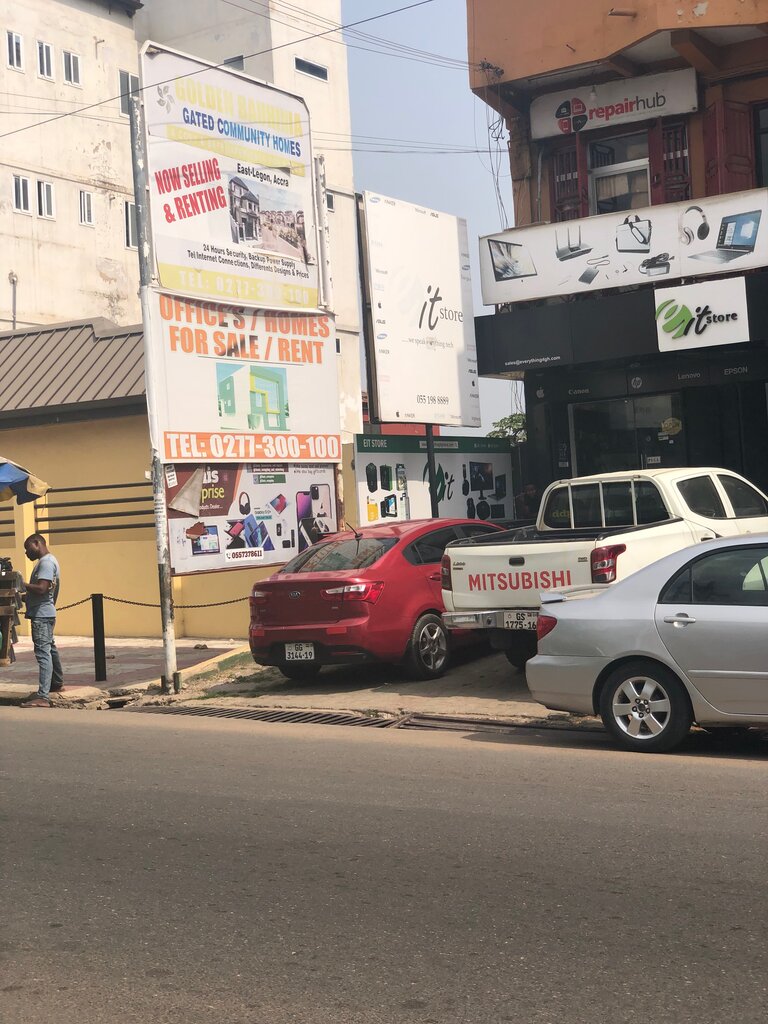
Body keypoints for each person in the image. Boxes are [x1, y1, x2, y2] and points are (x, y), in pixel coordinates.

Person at [20, 533, 63, 708]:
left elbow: (42, 588)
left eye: (27, 548)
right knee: (50, 649)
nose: (26, 552)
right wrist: (22, 597)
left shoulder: (45, 563)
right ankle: (56, 683)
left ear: (37, 543)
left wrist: (21, 584)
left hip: (42, 615)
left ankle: (43, 697)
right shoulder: (50, 561)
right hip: (46, 612)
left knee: (43, 653)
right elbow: (44, 592)